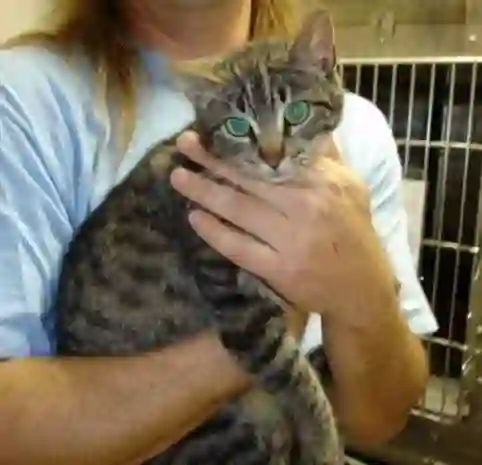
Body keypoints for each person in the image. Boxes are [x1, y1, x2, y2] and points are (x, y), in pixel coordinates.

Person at [0, 1, 438, 464]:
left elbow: (382, 419)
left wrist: (364, 291)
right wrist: (272, 324)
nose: (273, 155)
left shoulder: (361, 129)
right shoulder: (23, 98)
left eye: (292, 119)